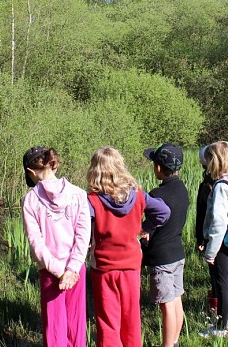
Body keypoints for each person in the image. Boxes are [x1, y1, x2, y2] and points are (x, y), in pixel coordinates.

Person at [87, 146, 170, 347]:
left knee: (108, 321)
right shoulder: (138, 196)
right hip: (131, 265)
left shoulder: (92, 200)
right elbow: (164, 212)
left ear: (95, 171)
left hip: (104, 268)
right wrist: (145, 228)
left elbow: (82, 228)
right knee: (131, 318)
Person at [21, 146, 91, 347]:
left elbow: (37, 244)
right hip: (76, 269)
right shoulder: (78, 194)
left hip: (50, 272)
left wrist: (60, 272)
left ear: (31, 172)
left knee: (54, 329)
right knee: (75, 326)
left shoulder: (30, 200)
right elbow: (83, 235)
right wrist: (72, 269)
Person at [141, 143, 189, 347]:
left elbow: (149, 225)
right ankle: (175, 341)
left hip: (162, 257)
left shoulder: (157, 195)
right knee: (176, 298)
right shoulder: (183, 189)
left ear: (159, 168)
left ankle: (167, 345)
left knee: (166, 304)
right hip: (177, 252)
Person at [201, 141, 228, 338]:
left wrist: (211, 251)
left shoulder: (220, 186)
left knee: (222, 283)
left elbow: (219, 221)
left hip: (222, 241)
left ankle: (220, 327)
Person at [194, 145, 218, 316]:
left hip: (211, 236)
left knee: (216, 274)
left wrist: (200, 239)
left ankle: (217, 306)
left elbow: (202, 214)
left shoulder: (206, 187)